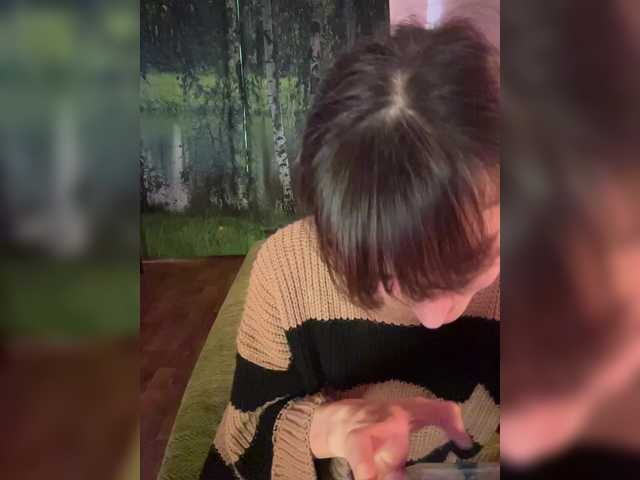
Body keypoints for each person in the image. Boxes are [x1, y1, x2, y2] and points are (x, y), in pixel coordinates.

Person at [201, 20, 500, 480]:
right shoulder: (287, 274)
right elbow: (240, 446)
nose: (435, 317)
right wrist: (326, 429)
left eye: (472, 264)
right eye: (390, 278)